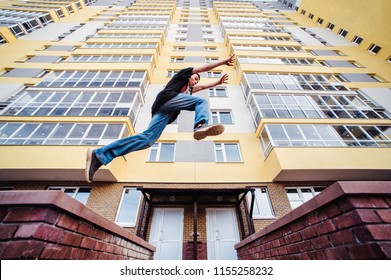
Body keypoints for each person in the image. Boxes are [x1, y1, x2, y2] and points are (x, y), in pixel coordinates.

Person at [85, 54, 235, 183]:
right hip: (167, 100)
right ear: (190, 76)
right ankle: (201, 125)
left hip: (163, 112)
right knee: (201, 102)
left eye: (196, 81)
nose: (195, 82)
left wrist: (218, 83)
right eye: (194, 79)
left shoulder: (189, 91)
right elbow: (204, 68)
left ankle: (100, 155)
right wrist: (223, 62)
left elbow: (202, 87)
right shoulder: (183, 75)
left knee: (147, 140)